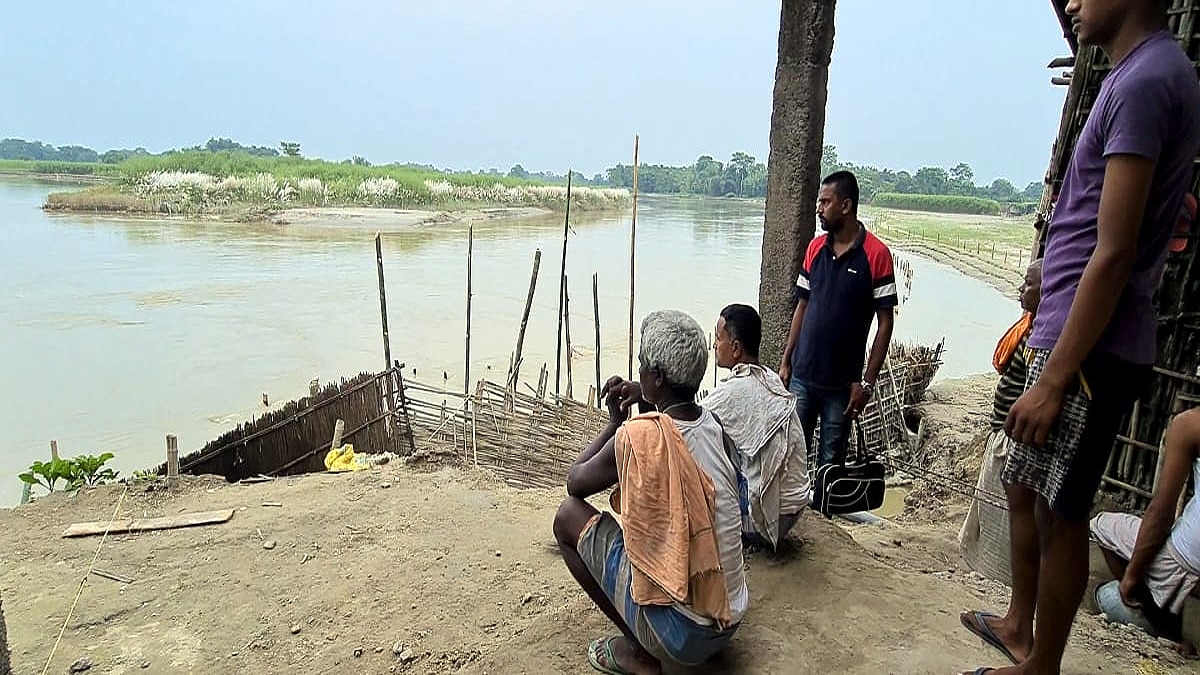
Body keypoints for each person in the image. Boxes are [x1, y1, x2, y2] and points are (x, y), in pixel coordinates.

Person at [959, 2, 1200, 674]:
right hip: (1067, 328)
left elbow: (1117, 250)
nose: (1069, 3)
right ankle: (1018, 623)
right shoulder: (1136, 75)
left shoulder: (1148, 82)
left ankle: (1040, 665)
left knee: (1064, 512)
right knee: (1024, 481)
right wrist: (1050, 273)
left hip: (1091, 351)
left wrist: (1058, 376)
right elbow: (1094, 223)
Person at [552, 310, 747, 675]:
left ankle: (640, 653)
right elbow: (671, 436)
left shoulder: (637, 436)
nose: (637, 372)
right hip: (728, 616)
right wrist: (648, 396)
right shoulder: (715, 426)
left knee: (567, 517)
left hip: (684, 636)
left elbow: (575, 482)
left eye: (642, 366)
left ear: (656, 377)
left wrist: (614, 424)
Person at [609, 304, 813, 551]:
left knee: (695, 452)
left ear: (736, 348)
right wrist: (644, 392)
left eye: (718, 338)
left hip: (771, 523)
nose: (715, 345)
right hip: (794, 507)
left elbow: (678, 420)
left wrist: (640, 399)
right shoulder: (768, 377)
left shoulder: (732, 393)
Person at [778, 170, 898, 467]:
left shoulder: (877, 255)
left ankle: (824, 511)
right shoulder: (815, 249)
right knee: (792, 456)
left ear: (846, 206)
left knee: (832, 463)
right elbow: (802, 307)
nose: (819, 208)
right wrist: (786, 360)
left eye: (825, 202)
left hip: (843, 387)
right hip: (803, 377)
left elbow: (885, 324)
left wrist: (867, 384)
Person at [958, 259, 1042, 582]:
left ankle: (997, 577)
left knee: (1001, 514)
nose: (1022, 288)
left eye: (1029, 284)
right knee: (991, 511)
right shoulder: (1027, 329)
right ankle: (987, 571)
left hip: (1013, 441)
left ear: (1046, 292)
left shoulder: (1038, 340)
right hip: (1003, 436)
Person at [1090, 408, 1200, 654]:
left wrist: (1131, 576)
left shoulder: (1189, 425)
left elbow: (1160, 513)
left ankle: (1154, 617)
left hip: (1188, 558)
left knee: (1102, 525)